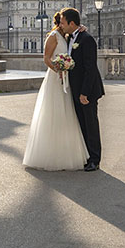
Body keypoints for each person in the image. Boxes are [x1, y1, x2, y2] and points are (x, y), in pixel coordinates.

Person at [22, 13, 89, 171]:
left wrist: (82, 28)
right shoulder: (53, 36)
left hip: (65, 79)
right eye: (62, 22)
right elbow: (46, 58)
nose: (64, 24)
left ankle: (67, 152)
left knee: (67, 115)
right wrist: (58, 69)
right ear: (59, 22)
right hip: (55, 79)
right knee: (54, 114)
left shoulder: (66, 36)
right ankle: (52, 154)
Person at [60, 7, 104, 171]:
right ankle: (87, 156)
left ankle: (95, 159)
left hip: (88, 91)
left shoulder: (87, 39)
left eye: (64, 23)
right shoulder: (69, 37)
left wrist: (84, 93)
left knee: (91, 124)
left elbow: (90, 68)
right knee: (82, 124)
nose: (61, 25)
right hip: (76, 89)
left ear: (72, 23)